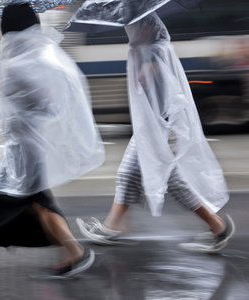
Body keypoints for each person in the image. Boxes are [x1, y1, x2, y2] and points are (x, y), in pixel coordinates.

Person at [0, 3, 105, 279]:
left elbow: (10, 106)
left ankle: (74, 251)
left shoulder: (19, 65)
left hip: (26, 149)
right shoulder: (41, 57)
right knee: (7, 199)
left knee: (31, 202)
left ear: (7, 29)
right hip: (25, 147)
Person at [77, 12, 235, 253]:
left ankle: (217, 226)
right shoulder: (149, 50)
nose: (129, 32)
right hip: (152, 128)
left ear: (147, 27)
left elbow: (170, 96)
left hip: (160, 129)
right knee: (130, 174)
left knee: (172, 180)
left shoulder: (155, 52)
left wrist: (151, 74)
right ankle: (113, 227)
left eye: (133, 27)